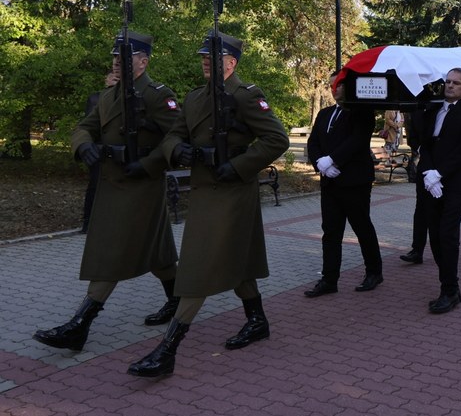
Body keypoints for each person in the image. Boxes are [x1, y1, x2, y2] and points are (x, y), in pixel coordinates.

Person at [127, 32, 289, 378]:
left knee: (198, 266)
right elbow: (173, 134)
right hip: (204, 190)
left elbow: (277, 138)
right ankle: (257, 320)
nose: (204, 61)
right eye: (203, 56)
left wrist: (240, 166)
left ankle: (168, 350)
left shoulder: (246, 97)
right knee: (237, 261)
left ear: (230, 63)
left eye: (212, 58)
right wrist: (177, 150)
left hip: (231, 192)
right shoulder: (196, 97)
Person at [34, 33, 182, 353]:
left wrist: (147, 163)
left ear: (143, 62)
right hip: (112, 185)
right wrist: (83, 144)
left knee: (112, 253)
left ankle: (80, 325)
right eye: (115, 56)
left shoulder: (158, 95)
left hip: (140, 186)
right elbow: (85, 125)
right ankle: (177, 300)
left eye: (125, 56)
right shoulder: (109, 94)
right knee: (159, 254)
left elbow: (177, 138)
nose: (117, 60)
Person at [304, 72, 383, 298]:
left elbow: (357, 141)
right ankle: (329, 279)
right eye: (330, 86)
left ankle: (374, 272)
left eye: (337, 85)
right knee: (330, 231)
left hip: (354, 181)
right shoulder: (325, 113)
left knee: (361, 227)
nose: (333, 89)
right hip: (330, 181)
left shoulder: (361, 111)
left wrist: (333, 159)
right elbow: (314, 142)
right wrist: (320, 162)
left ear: (347, 87)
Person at [417, 68, 461, 313]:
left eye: (456, 83)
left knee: (447, 234)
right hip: (430, 181)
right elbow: (424, 143)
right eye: (447, 82)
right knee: (434, 235)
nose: (450, 86)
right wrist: (428, 172)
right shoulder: (434, 108)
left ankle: (450, 290)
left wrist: (440, 173)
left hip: (455, 183)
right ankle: (447, 282)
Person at [79, 70, 118, 233]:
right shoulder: (96, 98)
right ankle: (88, 222)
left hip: (116, 151)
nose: (114, 80)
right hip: (98, 150)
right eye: (112, 77)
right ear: (106, 79)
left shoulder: (128, 99)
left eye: (117, 78)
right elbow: (89, 124)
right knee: (95, 186)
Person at [400, 110, 428, 264]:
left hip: (445, 169)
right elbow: (413, 135)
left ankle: (446, 250)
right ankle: (417, 250)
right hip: (424, 165)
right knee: (421, 212)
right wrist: (418, 148)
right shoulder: (417, 111)